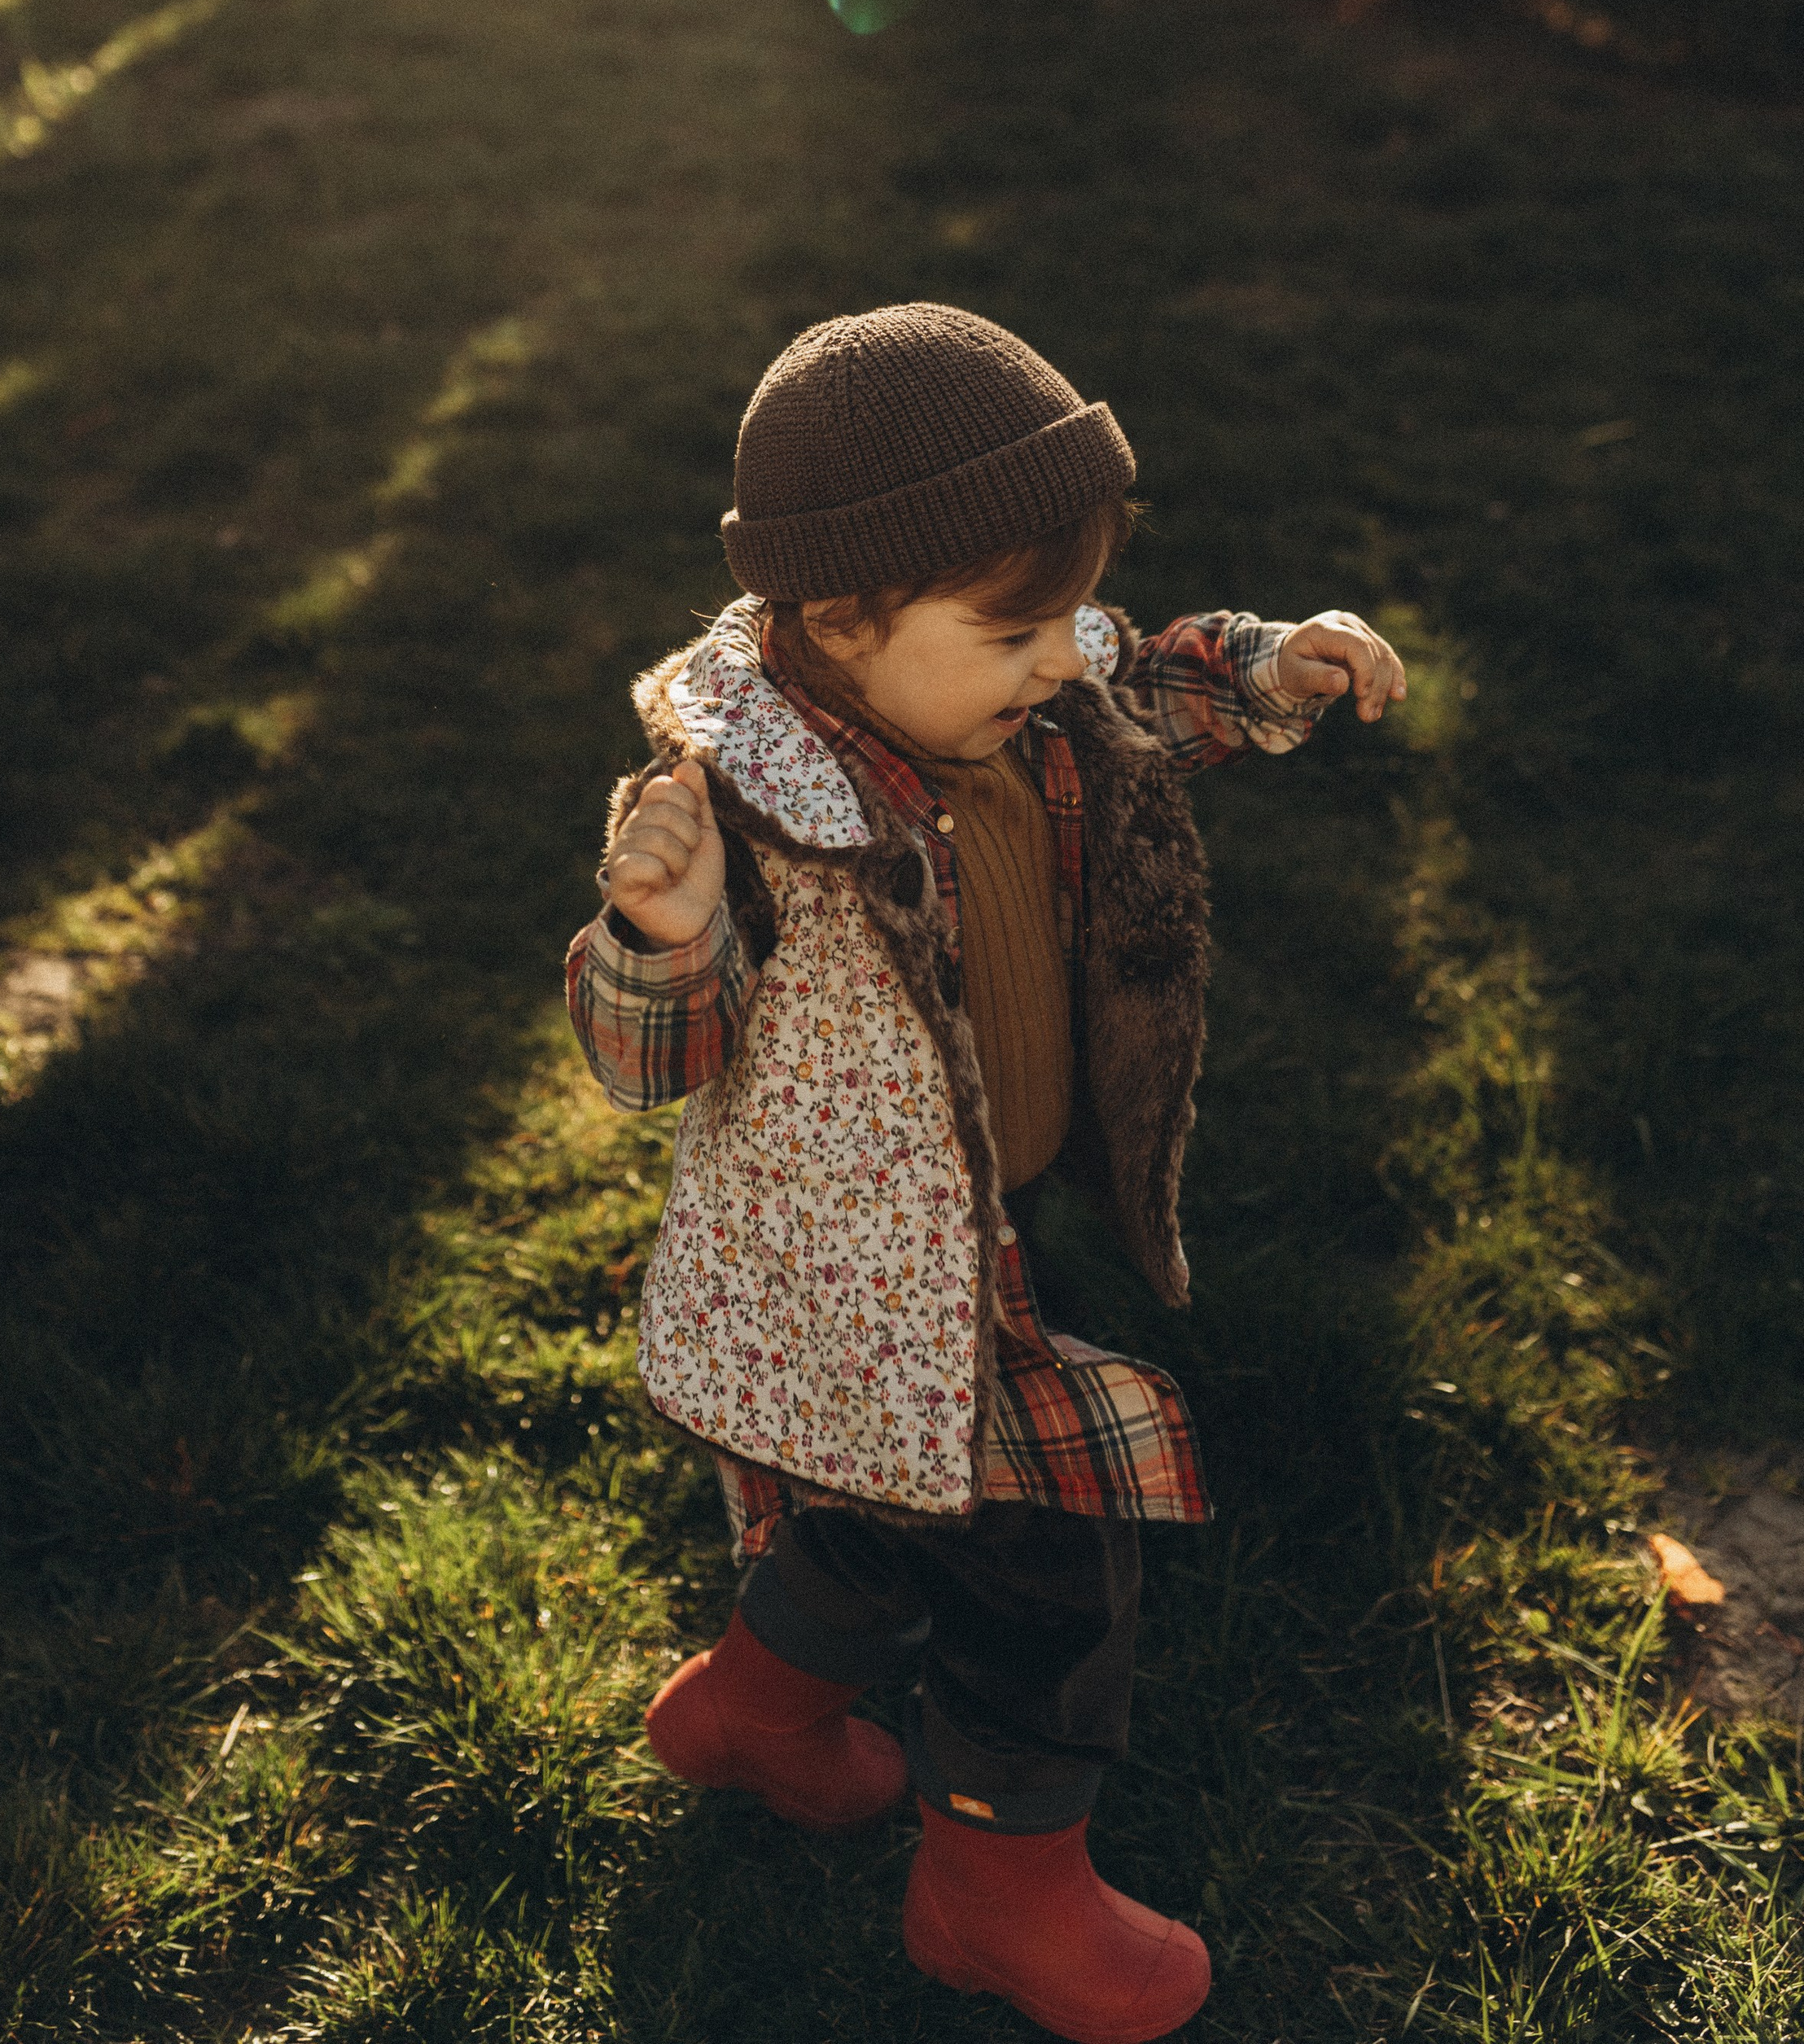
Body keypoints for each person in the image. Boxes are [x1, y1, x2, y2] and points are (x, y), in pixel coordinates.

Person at [565, 303, 1404, 2044]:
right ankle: (991, 1891)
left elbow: (1130, 676)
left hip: (992, 1219)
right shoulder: (738, 814)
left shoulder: (1014, 689)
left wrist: (1264, 665)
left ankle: (748, 1710)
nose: (1054, 662)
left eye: (1057, 621)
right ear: (838, 618)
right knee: (1046, 1564)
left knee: (886, 1520)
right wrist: (660, 935)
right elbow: (651, 1063)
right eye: (1013, 629)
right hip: (855, 1277)